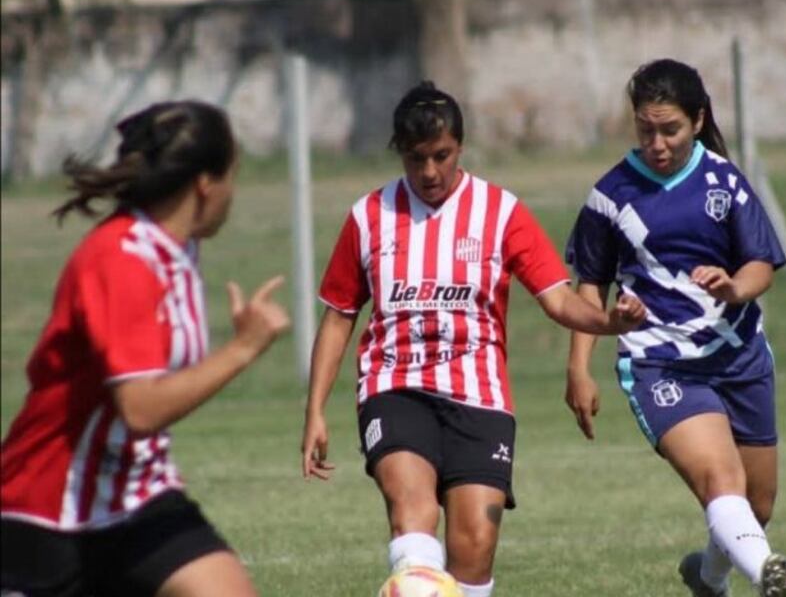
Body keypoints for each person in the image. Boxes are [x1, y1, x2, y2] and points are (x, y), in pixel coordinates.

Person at [301, 81, 646, 597]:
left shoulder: (501, 212)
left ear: (460, 146)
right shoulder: (368, 217)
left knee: (475, 545)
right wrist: (315, 411)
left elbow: (558, 299)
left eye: (441, 156)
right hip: (394, 386)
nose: (431, 171)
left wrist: (612, 323)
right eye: (417, 159)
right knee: (413, 513)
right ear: (400, 153)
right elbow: (338, 316)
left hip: (479, 394)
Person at [0, 101, 290, 597]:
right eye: (232, 176)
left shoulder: (177, 248)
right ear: (205, 184)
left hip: (138, 496)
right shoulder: (120, 259)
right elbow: (140, 407)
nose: (233, 193)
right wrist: (242, 349)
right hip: (50, 510)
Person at [563, 59, 786, 597]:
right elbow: (589, 287)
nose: (658, 143)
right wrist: (579, 368)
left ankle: (709, 578)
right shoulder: (610, 195)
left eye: (669, 129)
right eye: (646, 129)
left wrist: (734, 288)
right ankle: (771, 578)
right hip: (660, 363)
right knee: (722, 481)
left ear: (697, 120)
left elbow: (760, 263)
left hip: (739, 355)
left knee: (756, 506)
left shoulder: (723, 180)